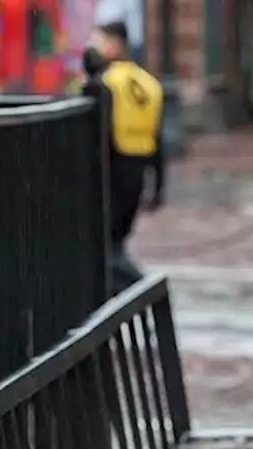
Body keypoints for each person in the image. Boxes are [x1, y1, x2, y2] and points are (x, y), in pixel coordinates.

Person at [90, 21, 164, 292]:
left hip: (113, 170)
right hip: (138, 169)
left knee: (108, 251)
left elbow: (101, 133)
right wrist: (158, 186)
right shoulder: (149, 83)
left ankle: (139, 293)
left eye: (98, 41)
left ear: (113, 45)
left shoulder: (107, 83)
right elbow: (158, 139)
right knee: (117, 244)